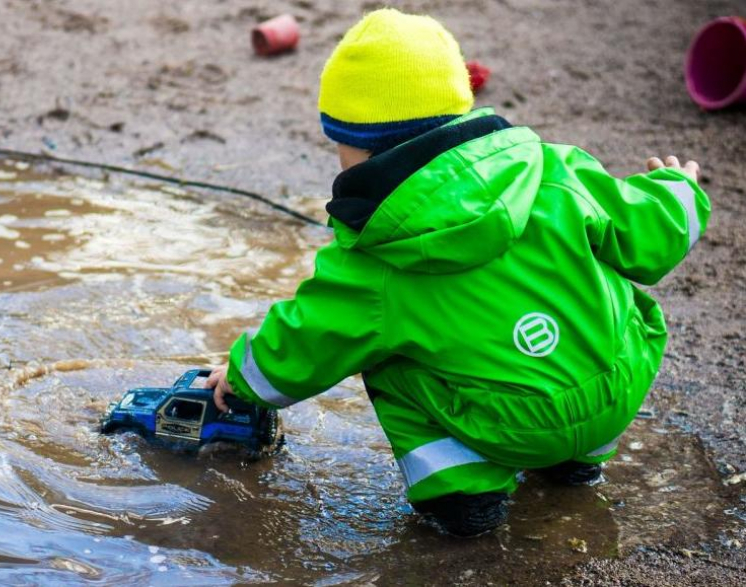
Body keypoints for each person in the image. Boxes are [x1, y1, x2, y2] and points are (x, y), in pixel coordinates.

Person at [206, 8, 711, 536]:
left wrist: (241, 380)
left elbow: (307, 340)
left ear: (350, 145)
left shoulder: (372, 257)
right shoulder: (555, 169)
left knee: (380, 354)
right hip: (616, 389)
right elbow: (648, 233)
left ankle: (462, 494)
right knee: (600, 292)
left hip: (510, 426)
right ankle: (576, 462)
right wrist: (679, 189)